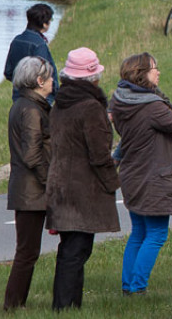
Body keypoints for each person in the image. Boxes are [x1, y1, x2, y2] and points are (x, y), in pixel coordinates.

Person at [111, 53, 172, 295]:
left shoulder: (121, 101)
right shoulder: (152, 107)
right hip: (153, 178)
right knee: (156, 234)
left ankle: (129, 286)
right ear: (141, 74)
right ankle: (137, 288)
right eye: (154, 69)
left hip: (132, 175)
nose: (158, 72)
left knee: (139, 232)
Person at [48, 48, 119, 310]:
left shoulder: (60, 104)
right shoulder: (90, 107)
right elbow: (99, 154)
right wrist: (112, 183)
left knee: (70, 248)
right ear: (92, 77)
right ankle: (65, 306)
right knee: (76, 251)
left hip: (60, 184)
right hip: (82, 188)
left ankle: (68, 305)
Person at [3, 56, 54, 311]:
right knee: (26, 253)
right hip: (31, 192)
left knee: (27, 252)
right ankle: (13, 305)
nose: (53, 82)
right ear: (39, 80)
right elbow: (33, 155)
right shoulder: (32, 110)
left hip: (27, 189)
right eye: (50, 77)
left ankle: (15, 303)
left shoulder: (24, 104)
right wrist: (50, 183)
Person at [3, 3, 58, 104]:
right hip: (38, 98)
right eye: (50, 20)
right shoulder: (40, 44)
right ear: (44, 24)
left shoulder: (16, 40)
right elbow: (44, 75)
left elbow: (8, 72)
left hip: (18, 97)